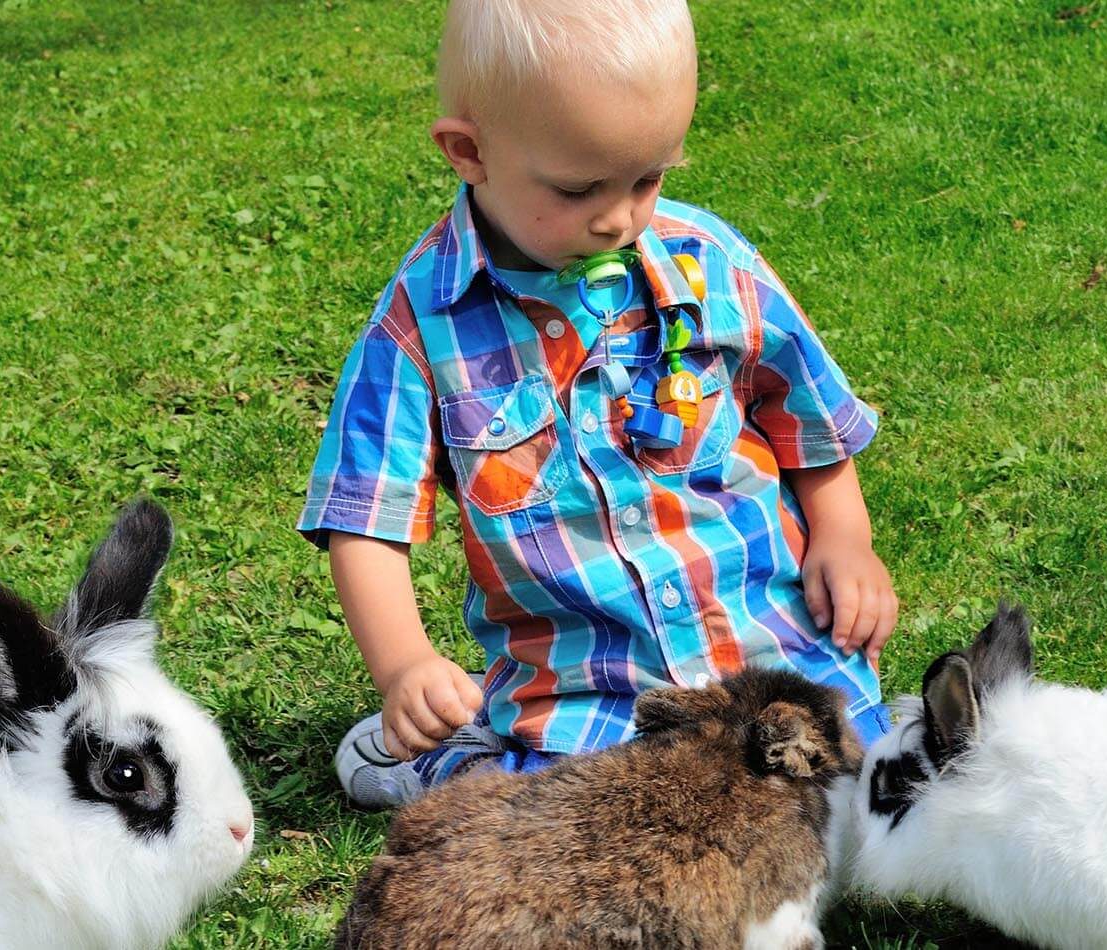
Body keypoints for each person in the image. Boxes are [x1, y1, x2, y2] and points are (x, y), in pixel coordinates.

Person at [300, 0, 897, 808]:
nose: (620, 217)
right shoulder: (421, 329)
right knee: (578, 837)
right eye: (581, 188)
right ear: (468, 152)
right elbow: (366, 515)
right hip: (592, 697)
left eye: (649, 178)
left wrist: (844, 536)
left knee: (859, 794)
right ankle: (451, 760)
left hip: (773, 647)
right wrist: (405, 664)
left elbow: (806, 414)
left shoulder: (709, 263)